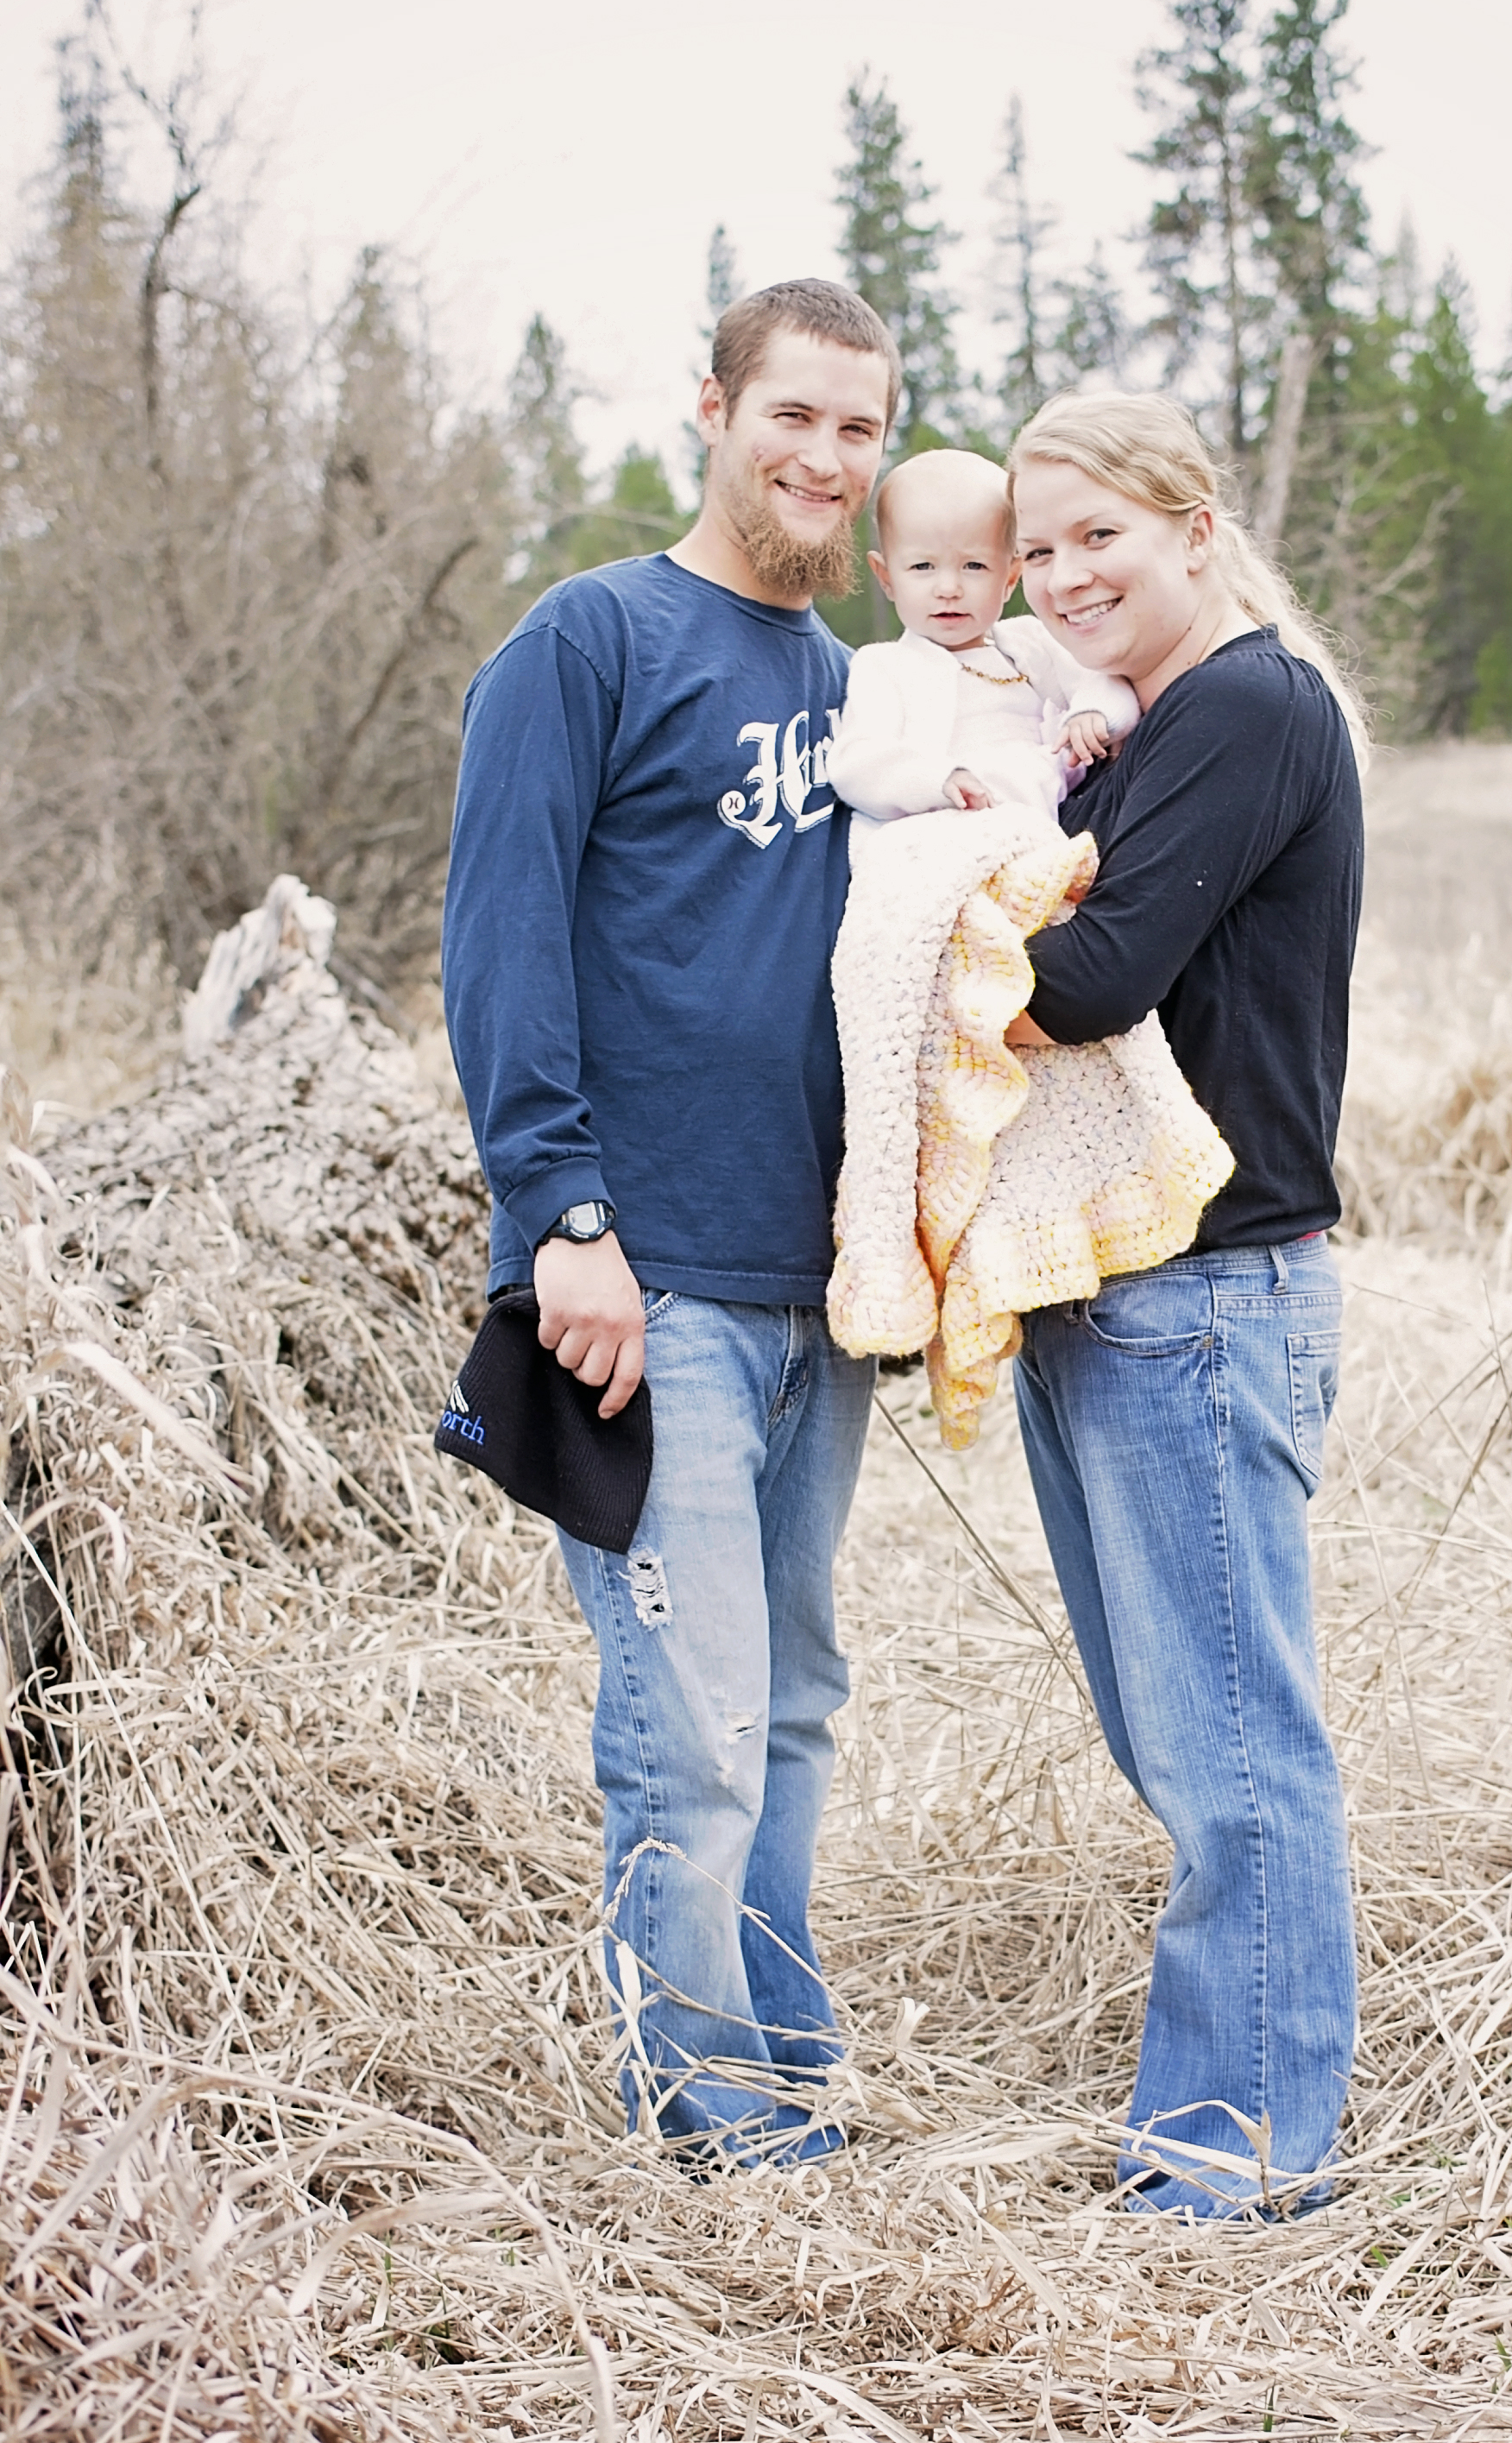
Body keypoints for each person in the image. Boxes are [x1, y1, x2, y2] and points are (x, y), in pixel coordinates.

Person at [441, 280, 901, 2165]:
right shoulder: (592, 639)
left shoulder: (861, 691)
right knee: (688, 1719)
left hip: (817, 1288)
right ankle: (709, 2117)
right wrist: (560, 1212)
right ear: (711, 410)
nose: (823, 458)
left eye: (858, 428)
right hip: (644, 1283)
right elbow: (497, 938)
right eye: (791, 413)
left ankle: (780, 2057)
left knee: (786, 1703)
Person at [1002, 390, 1367, 2219]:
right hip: (1118, 1295)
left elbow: (1087, 976)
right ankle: (1225, 2115)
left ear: (1196, 527)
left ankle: (1240, 2152)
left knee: (1229, 1748)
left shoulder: (1244, 704)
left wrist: (913, 913)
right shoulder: (1139, 731)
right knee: (1181, 1739)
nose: (1063, 574)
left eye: (1100, 535)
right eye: (1035, 547)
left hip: (1205, 1293)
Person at [827, 448, 1138, 825]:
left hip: (1041, 830)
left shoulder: (1031, 645)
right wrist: (937, 781)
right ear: (887, 577)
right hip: (935, 833)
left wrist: (1095, 714)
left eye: (974, 566)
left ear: (1010, 577)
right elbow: (857, 762)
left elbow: (1104, 681)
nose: (948, 588)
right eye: (922, 566)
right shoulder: (885, 666)